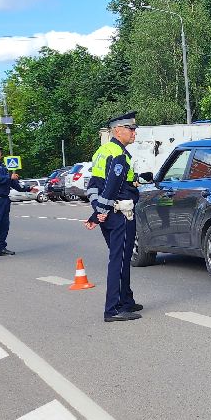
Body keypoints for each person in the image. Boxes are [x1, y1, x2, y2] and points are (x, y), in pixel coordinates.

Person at [89, 112, 143, 323]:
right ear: (118, 131)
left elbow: (94, 186)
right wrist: (100, 213)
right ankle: (113, 309)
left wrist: (97, 210)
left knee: (120, 258)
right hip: (120, 213)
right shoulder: (118, 155)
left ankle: (126, 300)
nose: (134, 133)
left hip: (110, 213)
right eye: (131, 129)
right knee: (119, 261)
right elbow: (112, 187)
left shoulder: (102, 152)